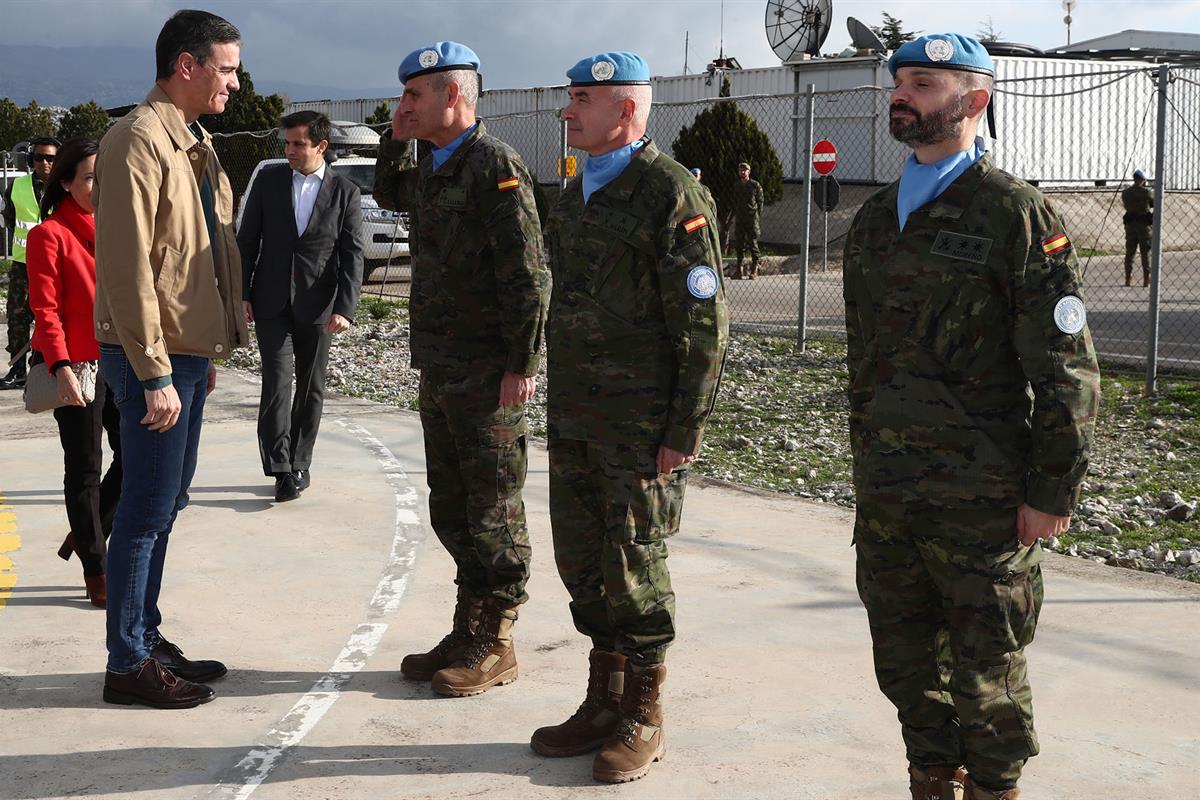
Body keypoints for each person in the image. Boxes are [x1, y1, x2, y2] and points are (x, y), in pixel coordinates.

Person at [842, 34, 1100, 800]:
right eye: (898, 83)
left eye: (922, 83)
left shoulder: (1014, 214)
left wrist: (1051, 492)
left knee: (986, 678)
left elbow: (1066, 367)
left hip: (981, 500)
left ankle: (995, 789)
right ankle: (930, 779)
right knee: (905, 666)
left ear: (974, 101)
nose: (902, 95)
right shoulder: (875, 219)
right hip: (889, 495)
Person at [530, 52, 728, 784]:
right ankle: (602, 701)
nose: (566, 110)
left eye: (581, 98)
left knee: (634, 571)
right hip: (577, 417)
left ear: (626, 111)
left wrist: (685, 429)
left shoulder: (669, 195)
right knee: (583, 564)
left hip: (640, 428)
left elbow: (705, 324)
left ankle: (645, 714)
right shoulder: (577, 189)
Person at [374, 41, 549, 698]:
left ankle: (496, 640)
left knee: (494, 510)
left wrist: (522, 363)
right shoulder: (430, 162)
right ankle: (467, 625)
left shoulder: (494, 165)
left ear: (454, 95)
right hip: (441, 365)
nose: (404, 106)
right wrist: (394, 140)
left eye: (414, 95)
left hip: (487, 372)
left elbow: (529, 274)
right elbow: (390, 191)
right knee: (452, 506)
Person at [93, 9, 248, 709]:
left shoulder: (191, 141)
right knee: (144, 511)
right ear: (186, 66)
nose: (235, 84)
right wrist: (155, 370)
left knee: (166, 504)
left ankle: (144, 636)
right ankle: (126, 662)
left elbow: (198, 259)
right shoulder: (137, 140)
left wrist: (203, 349)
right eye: (226, 69)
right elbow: (128, 269)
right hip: (151, 358)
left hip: (184, 355)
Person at [238, 110, 364, 503]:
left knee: (311, 387)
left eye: (298, 144)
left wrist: (345, 307)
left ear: (321, 147)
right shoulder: (269, 181)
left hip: (319, 307)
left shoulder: (346, 192)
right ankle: (279, 469)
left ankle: (300, 461)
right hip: (270, 300)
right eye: (287, 143)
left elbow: (352, 255)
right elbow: (247, 241)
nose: (289, 151)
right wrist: (241, 293)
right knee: (277, 384)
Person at [25, 138, 122, 609]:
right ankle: (96, 568)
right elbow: (45, 309)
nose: (97, 185)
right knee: (84, 468)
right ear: (65, 181)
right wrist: (60, 366)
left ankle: (87, 533)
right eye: (88, 177)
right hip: (75, 365)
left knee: (136, 457)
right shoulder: (49, 235)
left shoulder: (115, 225)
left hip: (119, 360)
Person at [2, 136, 59, 390]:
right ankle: (18, 368)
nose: (45, 163)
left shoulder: (66, 188)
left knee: (55, 316)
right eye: (39, 157)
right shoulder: (16, 187)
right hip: (24, 264)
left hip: (57, 266)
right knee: (17, 316)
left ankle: (55, 365)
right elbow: (13, 220)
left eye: (51, 158)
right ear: (31, 159)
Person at [726, 161, 763, 280]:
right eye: (740, 170)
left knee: (753, 243)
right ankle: (739, 270)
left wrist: (757, 216)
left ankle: (754, 269)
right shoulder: (737, 186)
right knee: (739, 244)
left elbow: (760, 201)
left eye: (745, 170)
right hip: (740, 218)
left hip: (752, 219)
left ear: (749, 172)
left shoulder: (755, 185)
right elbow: (734, 202)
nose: (742, 172)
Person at [1121, 168, 1153, 287]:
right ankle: (1146, 278)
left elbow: (1126, 205)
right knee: (1145, 252)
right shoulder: (1146, 192)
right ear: (1143, 180)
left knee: (1130, 252)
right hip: (1144, 225)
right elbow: (1153, 203)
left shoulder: (1125, 193)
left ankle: (1128, 278)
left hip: (1130, 225)